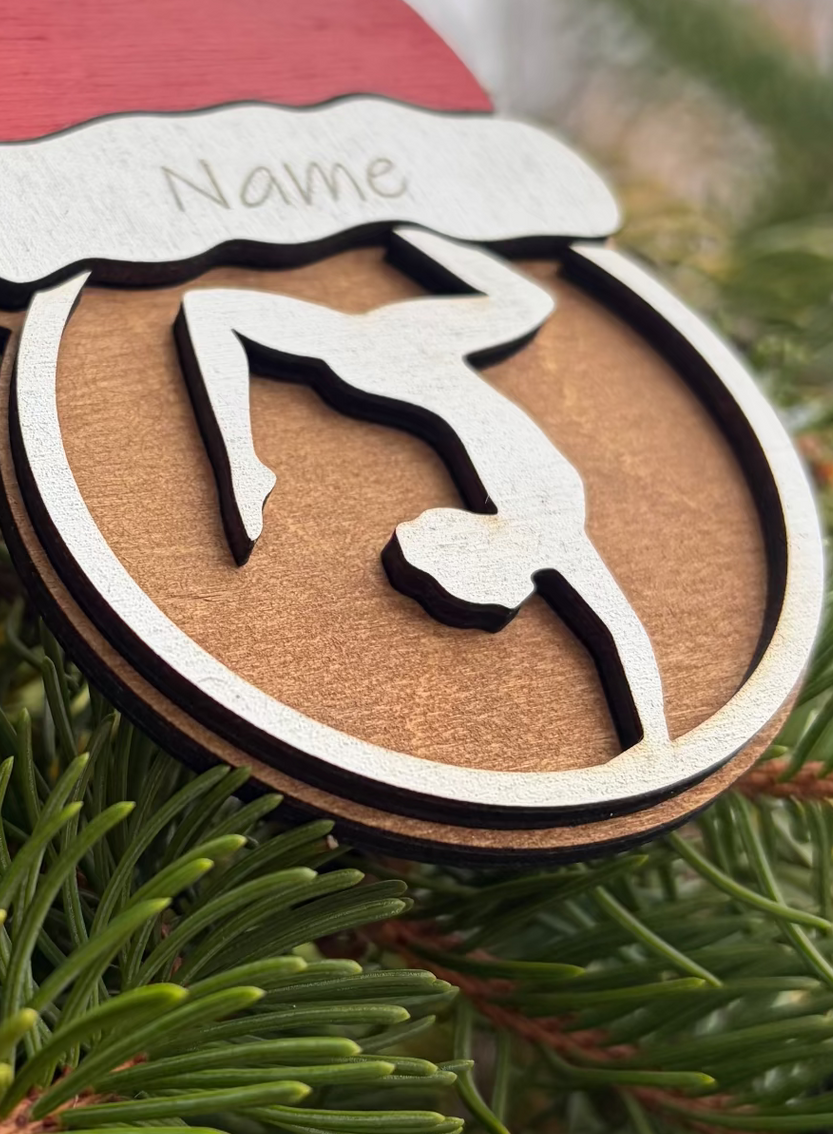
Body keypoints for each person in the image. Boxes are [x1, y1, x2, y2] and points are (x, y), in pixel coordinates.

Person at [174, 226, 669, 754]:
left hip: (406, 364)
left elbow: (622, 635)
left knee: (211, 312)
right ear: (487, 560)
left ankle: (241, 460)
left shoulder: (547, 534)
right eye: (432, 531)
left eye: (422, 531)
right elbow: (621, 636)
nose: (423, 517)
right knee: (527, 300)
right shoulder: (550, 536)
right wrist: (655, 741)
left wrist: (655, 739)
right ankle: (403, 226)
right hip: (414, 360)